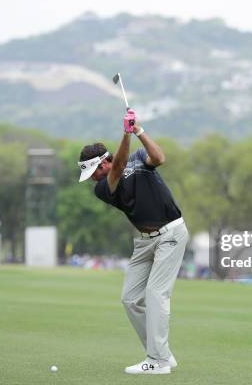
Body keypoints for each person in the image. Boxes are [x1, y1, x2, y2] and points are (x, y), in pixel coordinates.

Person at [78, 109, 189, 375]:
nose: (93, 177)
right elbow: (118, 167)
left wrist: (137, 131)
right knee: (130, 299)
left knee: (156, 293)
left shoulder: (140, 157)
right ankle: (162, 354)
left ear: (102, 162)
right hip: (144, 242)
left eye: (94, 170)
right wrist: (126, 134)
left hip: (170, 234)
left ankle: (158, 361)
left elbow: (159, 157)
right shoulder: (103, 188)